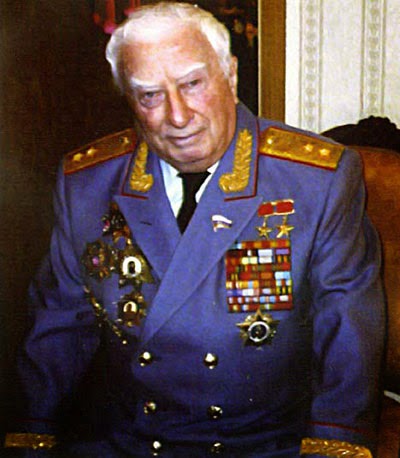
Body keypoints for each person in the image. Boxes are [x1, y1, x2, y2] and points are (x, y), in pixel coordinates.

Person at [6, 2, 385, 457]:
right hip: (129, 443)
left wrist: (332, 446)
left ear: (230, 74)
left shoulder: (316, 181)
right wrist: (30, 436)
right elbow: (57, 329)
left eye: (192, 84)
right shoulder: (87, 183)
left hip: (261, 446)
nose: (178, 115)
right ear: (128, 99)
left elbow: (347, 337)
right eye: (150, 95)